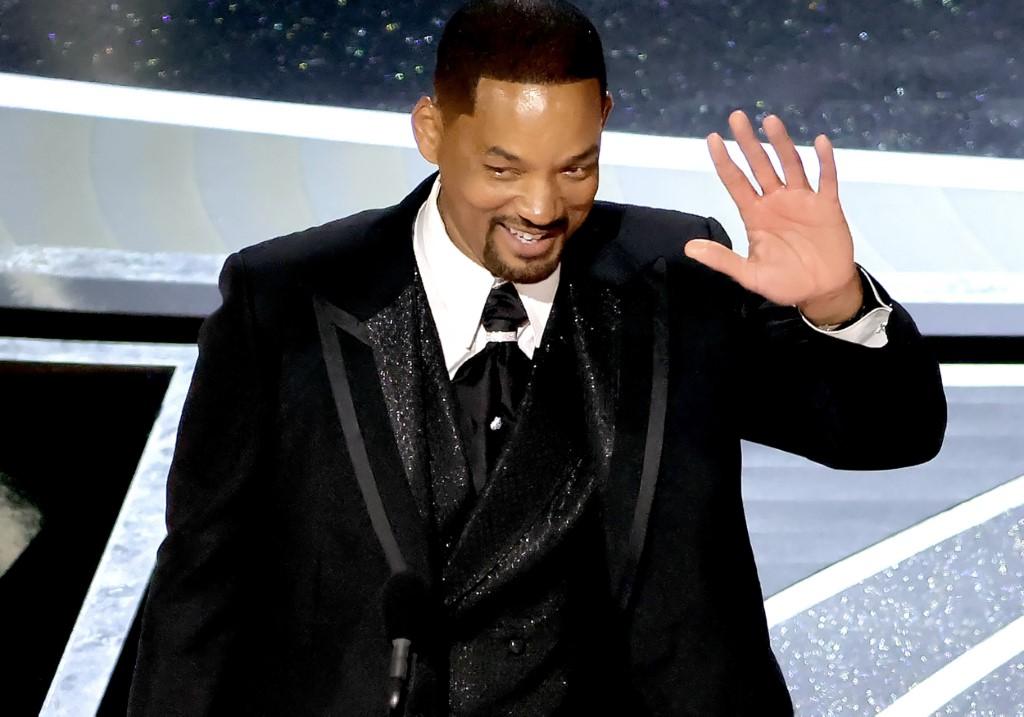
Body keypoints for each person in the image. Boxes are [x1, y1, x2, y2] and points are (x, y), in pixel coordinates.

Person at [127, 1, 946, 715]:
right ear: (432, 130)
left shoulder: (674, 275)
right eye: (502, 168)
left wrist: (835, 302)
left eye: (576, 165)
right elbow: (201, 587)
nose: (542, 206)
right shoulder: (287, 299)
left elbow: (888, 432)